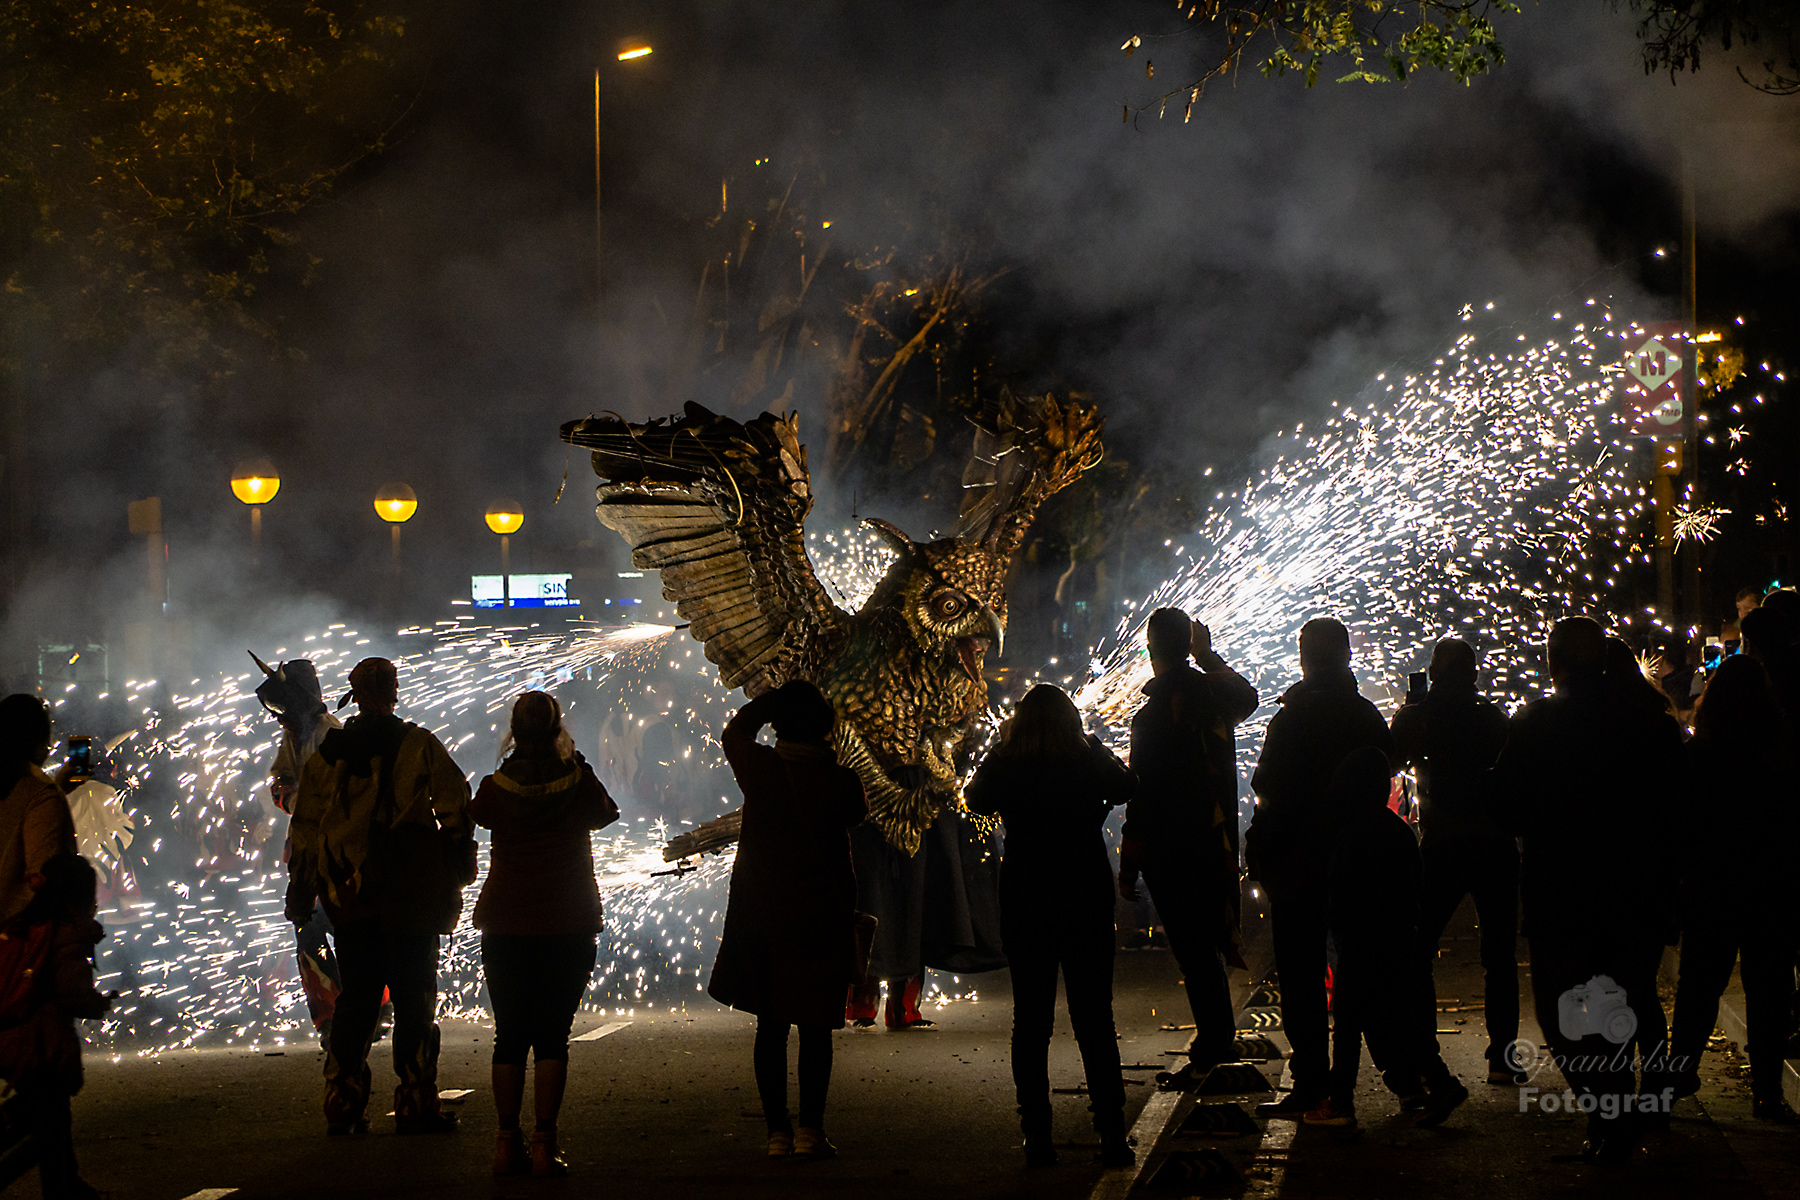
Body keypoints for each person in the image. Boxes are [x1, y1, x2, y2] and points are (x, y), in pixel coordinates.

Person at [1497, 617, 1684, 1164]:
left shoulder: (1537, 722)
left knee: (1565, 1016)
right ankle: (1617, 1114)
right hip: (1637, 892)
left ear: (1553, 662)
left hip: (1563, 894)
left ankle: (1609, 1116)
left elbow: (1507, 807)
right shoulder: (1650, 722)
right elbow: (1679, 808)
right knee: (1621, 1005)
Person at [285, 657, 477, 1136]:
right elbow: (456, 803)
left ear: (355, 696)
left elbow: (305, 826)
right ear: (393, 692)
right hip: (410, 892)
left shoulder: (329, 754)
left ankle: (343, 1101)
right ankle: (416, 1100)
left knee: (358, 999)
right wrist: (456, 859)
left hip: (351, 897)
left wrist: (303, 885)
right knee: (415, 998)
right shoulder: (418, 743)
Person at [966, 684, 1138, 1168]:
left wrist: (1001, 748)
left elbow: (975, 799)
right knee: (1095, 1018)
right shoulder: (1084, 759)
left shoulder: (1010, 762)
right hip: (1084, 895)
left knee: (1031, 1021)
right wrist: (1096, 744)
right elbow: (1127, 786)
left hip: (1027, 898)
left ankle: (1037, 1136)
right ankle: (1112, 1134)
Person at [709, 681, 867, 1160]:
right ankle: (810, 1131)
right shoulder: (842, 781)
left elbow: (734, 733)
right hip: (821, 915)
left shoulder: (761, 770)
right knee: (816, 1027)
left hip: (765, 916)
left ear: (779, 724)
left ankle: (777, 1132)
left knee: (771, 1025)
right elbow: (857, 816)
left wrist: (769, 701)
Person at [1246, 618, 1396, 1116]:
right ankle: (1404, 1077)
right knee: (1362, 972)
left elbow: (1268, 790)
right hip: (1357, 861)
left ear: (1304, 657)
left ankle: (1312, 1082)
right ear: (1347, 655)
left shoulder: (1292, 718)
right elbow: (1387, 769)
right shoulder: (1364, 714)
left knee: (1301, 977)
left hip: (1299, 863)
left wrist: (1259, 850)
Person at [472, 692, 620, 1176]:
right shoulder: (576, 782)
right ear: (558, 730)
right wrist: (576, 759)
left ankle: (504, 1144)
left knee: (509, 1035)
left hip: (506, 921)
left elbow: (477, 813)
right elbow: (607, 811)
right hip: (567, 919)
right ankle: (543, 1145)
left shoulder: (496, 786)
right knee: (554, 1035)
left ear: (514, 732)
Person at [1118, 607, 1258, 1080]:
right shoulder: (1211, 696)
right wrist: (1207, 655)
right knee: (1207, 944)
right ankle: (1216, 1041)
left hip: (1170, 849)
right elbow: (1247, 696)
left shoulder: (1152, 716)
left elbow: (1143, 794)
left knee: (1194, 951)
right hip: (1213, 840)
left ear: (1150, 650)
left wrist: (1129, 864)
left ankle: (1214, 1047)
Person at [1307, 748, 1468, 1129]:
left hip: (1360, 942)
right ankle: (1438, 1083)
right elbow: (1414, 886)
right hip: (1397, 938)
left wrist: (1340, 931)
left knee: (1348, 1024)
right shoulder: (1397, 830)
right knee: (1398, 1019)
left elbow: (1341, 892)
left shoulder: (1352, 834)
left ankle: (1341, 1103)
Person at [1667, 656, 1798, 1121]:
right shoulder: (1781, 755)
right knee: (1770, 991)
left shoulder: (1698, 755)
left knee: (1699, 988)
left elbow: (1680, 825)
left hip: (1712, 884)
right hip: (1771, 886)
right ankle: (1766, 1092)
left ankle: (1676, 1077)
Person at [1391, 638, 1520, 1086]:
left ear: (1434, 674)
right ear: (1474, 674)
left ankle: (1424, 1052)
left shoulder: (1419, 716)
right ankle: (1503, 1058)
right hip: (1495, 844)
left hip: (1443, 843)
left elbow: (1389, 761)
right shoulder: (1492, 716)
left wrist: (1407, 714)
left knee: (1417, 950)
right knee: (1500, 956)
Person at [0, 853, 114, 1200]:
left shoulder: (27, 926)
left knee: (44, 1121)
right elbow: (71, 992)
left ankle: (63, 1192)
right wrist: (98, 1004)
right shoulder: (68, 936)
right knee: (49, 1129)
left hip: (16, 1041)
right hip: (42, 1047)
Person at [253, 657, 344, 1041]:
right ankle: (332, 1015)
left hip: (336, 852)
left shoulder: (330, 734)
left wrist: (303, 801)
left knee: (347, 931)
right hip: (305, 854)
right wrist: (293, 799)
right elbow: (280, 781)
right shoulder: (293, 737)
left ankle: (372, 1005)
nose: (280, 718)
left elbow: (338, 796)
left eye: (284, 709)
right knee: (309, 933)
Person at [1, 694, 78, 924]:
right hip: (16, 935)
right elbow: (44, 877)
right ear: (39, 741)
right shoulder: (40, 795)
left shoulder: (24, 788)